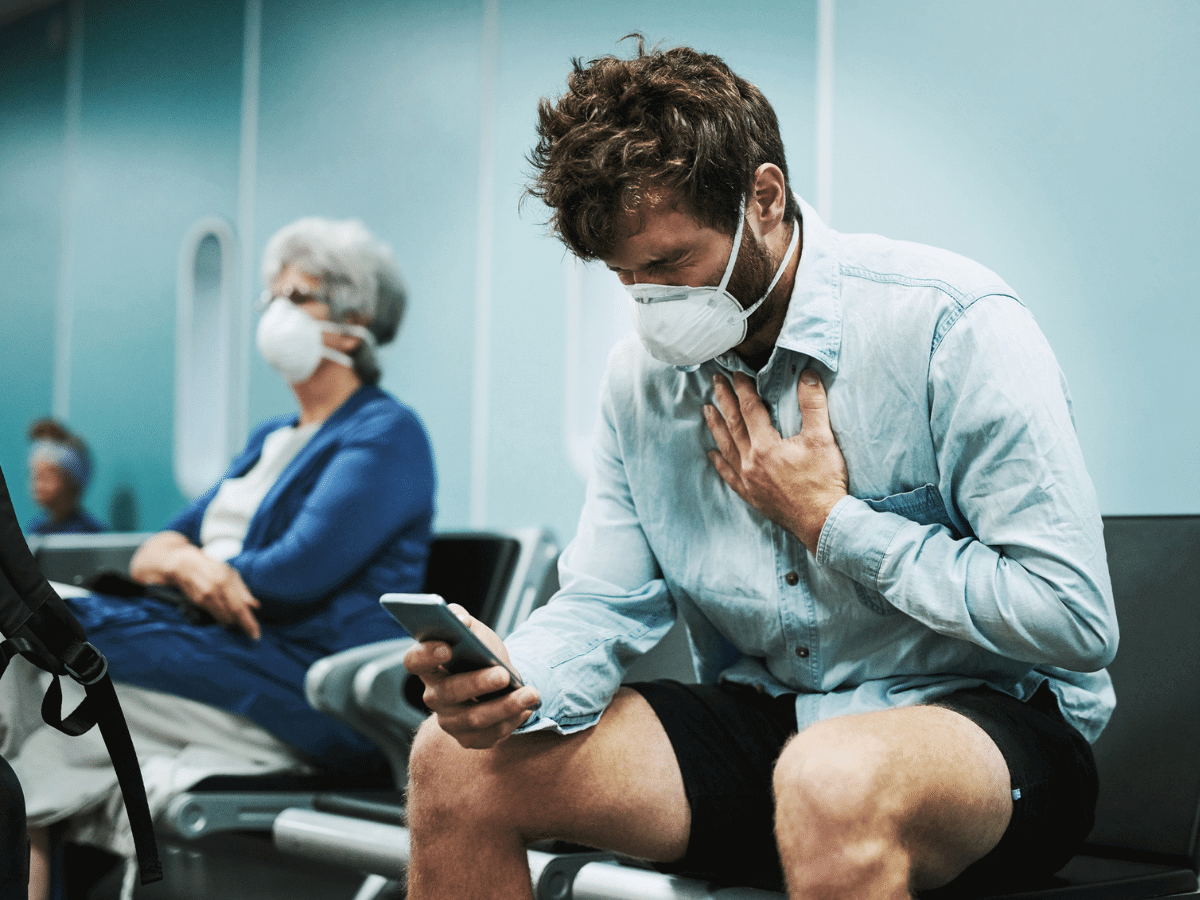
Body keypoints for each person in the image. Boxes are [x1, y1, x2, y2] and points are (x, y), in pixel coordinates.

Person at [402, 41, 1118, 900]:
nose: (651, 302)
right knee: (452, 762)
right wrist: (513, 684)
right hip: (773, 726)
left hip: (986, 730)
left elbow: (1075, 618)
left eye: (670, 265)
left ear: (765, 199)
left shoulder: (949, 325)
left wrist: (835, 525)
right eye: (627, 280)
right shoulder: (641, 382)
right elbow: (603, 601)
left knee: (830, 777)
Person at [1, 216, 435, 899]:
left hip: (298, 679)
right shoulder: (270, 438)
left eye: (298, 297)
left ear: (356, 323)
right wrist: (186, 566)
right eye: (271, 297)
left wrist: (187, 563)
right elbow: (156, 549)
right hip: (212, 642)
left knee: (35, 650)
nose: (274, 313)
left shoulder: (387, 434)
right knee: (29, 659)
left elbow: (291, 578)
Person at [24, 419, 105, 536]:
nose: (38, 485)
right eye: (35, 477)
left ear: (73, 484)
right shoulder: (36, 530)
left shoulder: (90, 532)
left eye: (46, 478)